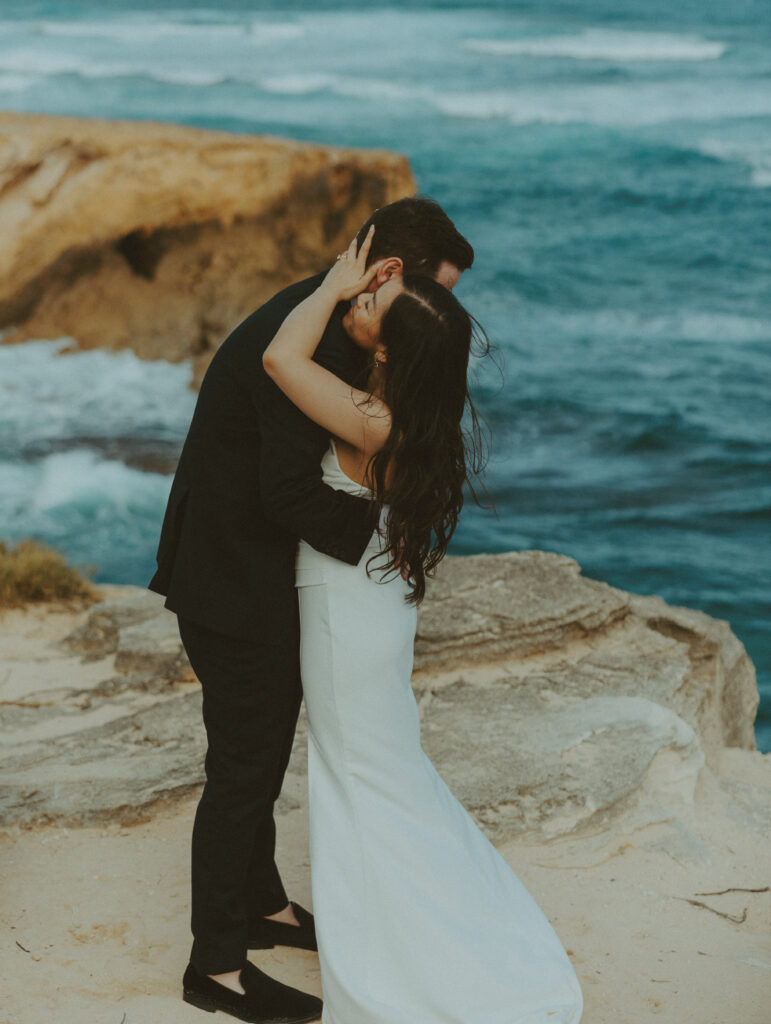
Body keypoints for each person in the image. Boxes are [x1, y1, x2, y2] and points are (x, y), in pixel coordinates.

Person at [147, 197, 475, 1022]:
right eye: (439, 290)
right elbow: (289, 491)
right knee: (242, 773)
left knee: (260, 755)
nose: (448, 312)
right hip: (231, 583)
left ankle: (261, 904)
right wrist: (391, 526)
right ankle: (215, 967)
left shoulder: (336, 320)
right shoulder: (314, 338)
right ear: (387, 276)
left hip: (265, 579)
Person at [260, 228, 585, 1024]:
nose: (363, 297)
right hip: (370, 612)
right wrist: (358, 298)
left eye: (375, 302)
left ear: (388, 351)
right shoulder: (417, 421)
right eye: (369, 289)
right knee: (385, 776)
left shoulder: (375, 420)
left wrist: (330, 283)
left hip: (346, 615)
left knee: (360, 783)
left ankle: (399, 969)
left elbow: (277, 359)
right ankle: (426, 934)